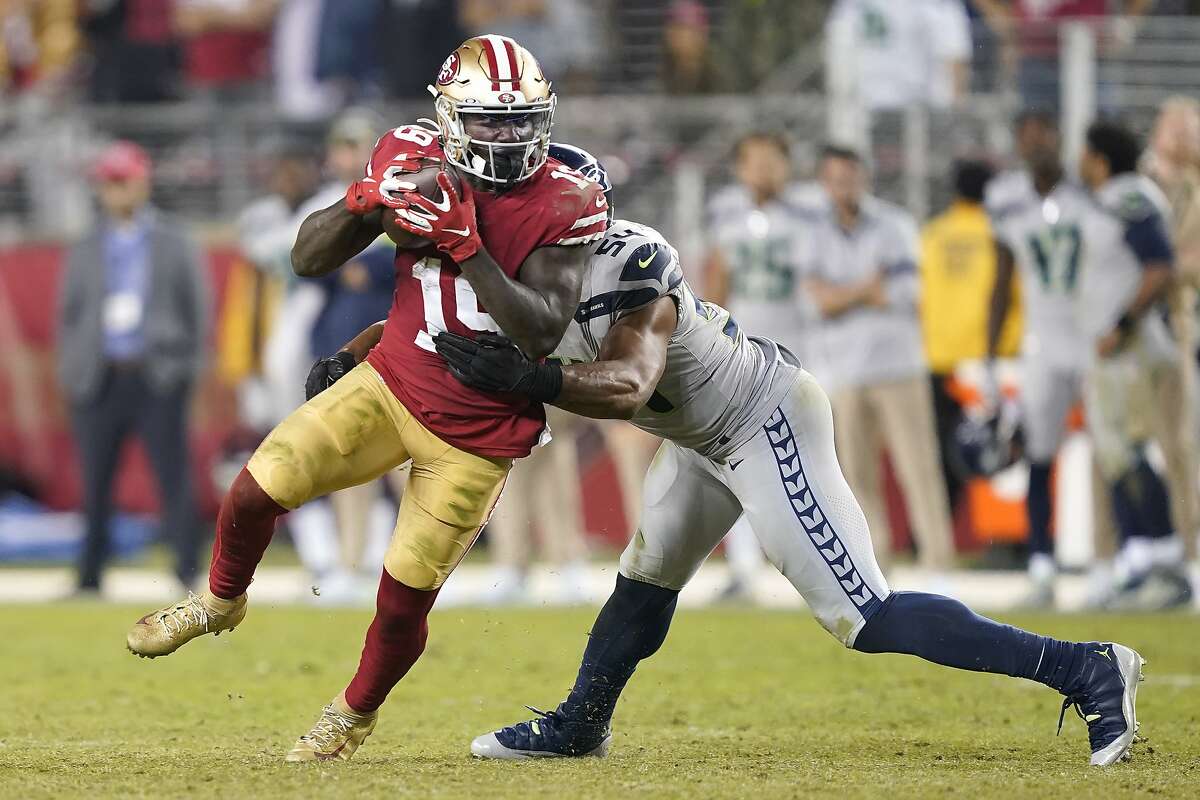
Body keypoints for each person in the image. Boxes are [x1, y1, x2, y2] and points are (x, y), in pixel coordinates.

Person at [417, 193, 1145, 768]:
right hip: (698, 437)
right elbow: (425, 338)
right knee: (643, 577)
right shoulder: (522, 285)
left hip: (762, 419)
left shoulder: (628, 262)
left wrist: (530, 377)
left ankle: (1088, 668)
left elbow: (626, 387)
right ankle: (581, 724)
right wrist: (362, 372)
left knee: (866, 617)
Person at [123, 35, 608, 763]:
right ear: (448, 117)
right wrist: (368, 199)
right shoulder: (408, 157)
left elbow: (541, 327)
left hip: (478, 433)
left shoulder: (567, 195)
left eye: (520, 120)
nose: (508, 136)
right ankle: (220, 599)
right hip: (390, 383)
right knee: (256, 488)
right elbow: (307, 258)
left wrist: (466, 246)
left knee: (401, 598)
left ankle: (350, 716)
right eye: (489, 120)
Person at [986, 111, 1128, 608]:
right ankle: (1042, 565)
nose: (1037, 144)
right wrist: (989, 355)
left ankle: (1109, 566)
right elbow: (1002, 281)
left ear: (1059, 139)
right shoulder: (1006, 201)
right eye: (1027, 135)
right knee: (1040, 456)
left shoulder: (1089, 195)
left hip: (1090, 339)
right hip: (1043, 343)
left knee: (1108, 452)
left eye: (1044, 134)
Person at [57, 141, 210, 594]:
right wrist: (72, 370)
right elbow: (69, 314)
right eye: (109, 183)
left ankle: (186, 569)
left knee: (173, 475)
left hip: (156, 371)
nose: (117, 192)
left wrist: (190, 369)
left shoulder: (174, 240)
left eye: (124, 181)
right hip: (100, 374)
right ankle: (89, 575)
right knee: (95, 480)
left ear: (143, 182)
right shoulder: (86, 245)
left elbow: (198, 310)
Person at [804, 145, 956, 578]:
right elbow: (816, 301)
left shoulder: (895, 225)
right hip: (845, 371)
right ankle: (875, 565)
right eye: (835, 179)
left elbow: (907, 293)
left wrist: (841, 294)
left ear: (863, 178)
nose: (843, 187)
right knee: (855, 477)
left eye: (849, 177)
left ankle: (938, 561)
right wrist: (867, 288)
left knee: (918, 467)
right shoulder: (814, 231)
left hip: (898, 367)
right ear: (824, 183)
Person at [1077, 120, 1190, 608]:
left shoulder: (1129, 197)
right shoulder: (1115, 198)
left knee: (1135, 454)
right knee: (1120, 457)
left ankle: (1168, 563)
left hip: (1131, 349)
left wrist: (1121, 325)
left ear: (1100, 157)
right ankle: (1143, 563)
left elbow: (1160, 265)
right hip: (1117, 346)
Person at [705, 131, 818, 599]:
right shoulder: (726, 214)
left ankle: (811, 565)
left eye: (773, 160)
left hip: (799, 353)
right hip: (743, 357)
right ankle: (744, 566)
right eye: (755, 161)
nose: (764, 170)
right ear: (739, 168)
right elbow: (718, 281)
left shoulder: (810, 214)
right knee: (737, 463)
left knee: (809, 463)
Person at [919, 159, 1022, 511]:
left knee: (943, 454)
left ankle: (939, 536)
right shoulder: (1002, 232)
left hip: (941, 357)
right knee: (999, 450)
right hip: (993, 358)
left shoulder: (933, 234)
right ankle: (1005, 541)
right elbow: (1013, 294)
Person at [1145, 96, 1200, 582]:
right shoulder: (1138, 181)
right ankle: (1127, 555)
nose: (1185, 139)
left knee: (1181, 444)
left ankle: (1190, 552)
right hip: (1127, 329)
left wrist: (1164, 267)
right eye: (1177, 129)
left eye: (1192, 130)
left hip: (1179, 324)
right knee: (1116, 447)